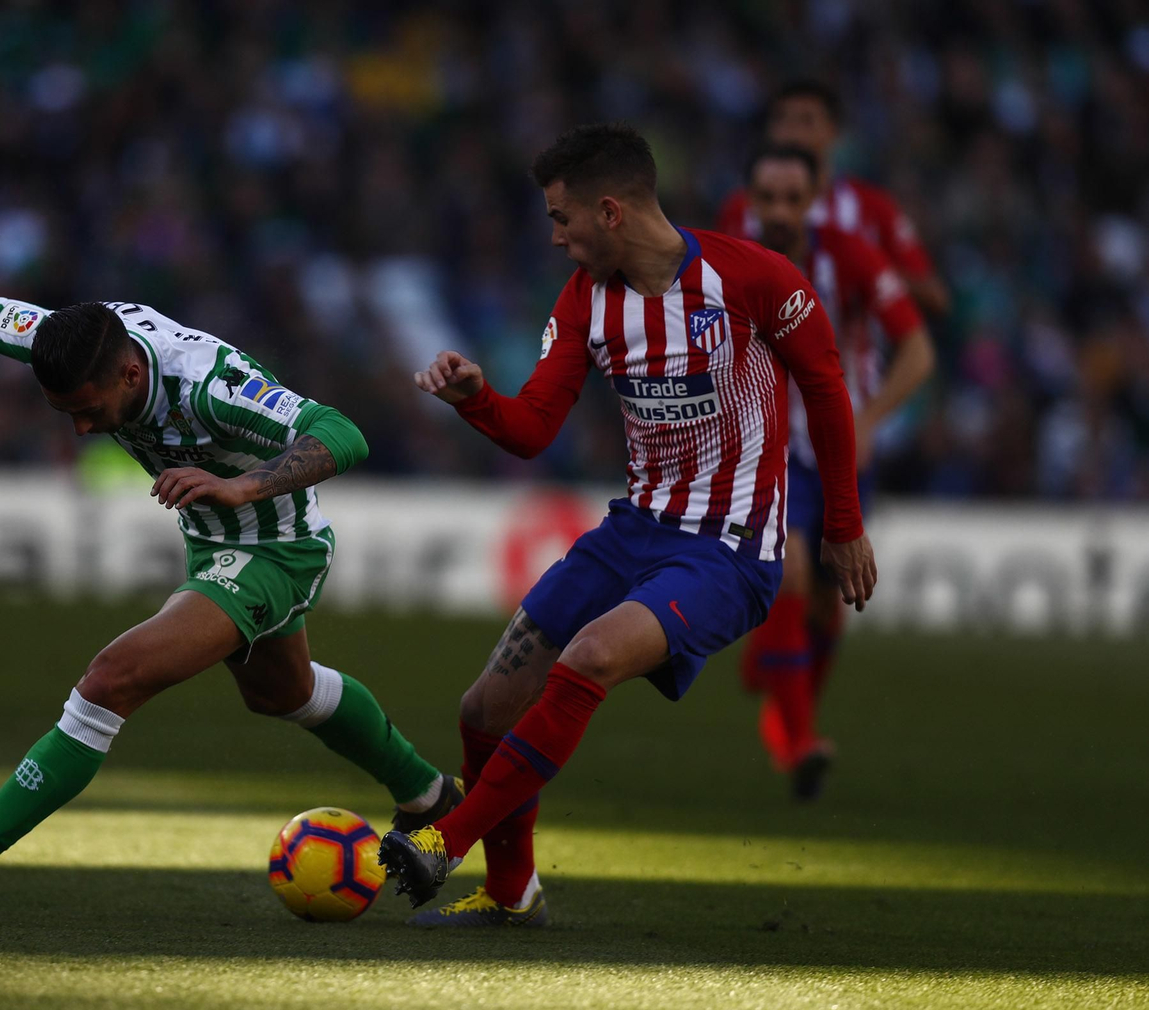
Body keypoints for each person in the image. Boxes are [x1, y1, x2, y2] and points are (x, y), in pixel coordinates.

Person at [0, 292, 463, 918]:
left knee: (111, 678)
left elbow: (342, 432)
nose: (81, 430)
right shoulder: (72, 341)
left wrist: (245, 488)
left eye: (88, 410)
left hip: (277, 549)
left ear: (131, 378)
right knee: (285, 692)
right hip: (211, 538)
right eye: (65, 413)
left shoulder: (211, 387)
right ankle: (430, 795)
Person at [378, 123, 876, 926]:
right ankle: (512, 893)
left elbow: (825, 388)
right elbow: (534, 427)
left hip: (728, 552)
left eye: (561, 218)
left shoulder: (753, 279)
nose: (555, 238)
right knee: (483, 711)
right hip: (633, 532)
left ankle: (444, 841)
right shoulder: (585, 301)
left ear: (609, 211)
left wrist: (842, 525)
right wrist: (474, 395)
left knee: (592, 656)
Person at [738, 144, 934, 798]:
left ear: (815, 198)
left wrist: (871, 422)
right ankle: (799, 742)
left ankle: (788, 705)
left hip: (838, 448)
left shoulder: (848, 254)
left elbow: (917, 347)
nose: (780, 212)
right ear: (750, 201)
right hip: (770, 452)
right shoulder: (721, 260)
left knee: (830, 605)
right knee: (790, 570)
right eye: (768, 199)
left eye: (793, 199)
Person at [715, 80, 948, 315]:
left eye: (806, 121)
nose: (791, 133)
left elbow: (935, 298)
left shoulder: (871, 206)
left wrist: (868, 273)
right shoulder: (739, 208)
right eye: (781, 120)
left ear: (833, 131)